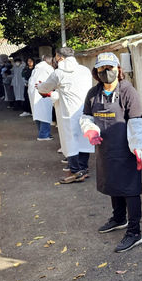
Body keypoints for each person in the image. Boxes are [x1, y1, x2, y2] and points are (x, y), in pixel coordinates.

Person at [79, 52, 142, 253]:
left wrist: (138, 149)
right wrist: (90, 130)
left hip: (126, 149)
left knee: (130, 189)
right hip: (105, 148)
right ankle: (119, 218)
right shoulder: (93, 93)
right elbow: (86, 117)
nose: (106, 72)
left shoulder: (128, 92)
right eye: (102, 69)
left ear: (118, 69)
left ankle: (135, 232)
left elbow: (136, 122)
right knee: (111, 183)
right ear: (96, 72)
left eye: (110, 68)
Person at [37, 47, 94, 183]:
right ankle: (83, 168)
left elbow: (44, 88)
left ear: (59, 57)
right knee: (83, 139)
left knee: (70, 141)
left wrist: (40, 87)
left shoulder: (58, 73)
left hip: (68, 112)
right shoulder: (85, 70)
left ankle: (75, 172)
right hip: (85, 110)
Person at [28, 55, 54, 141]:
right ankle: (44, 135)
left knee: (38, 114)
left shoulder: (36, 69)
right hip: (43, 93)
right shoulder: (48, 68)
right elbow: (54, 80)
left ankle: (42, 132)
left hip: (34, 93)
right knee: (45, 114)